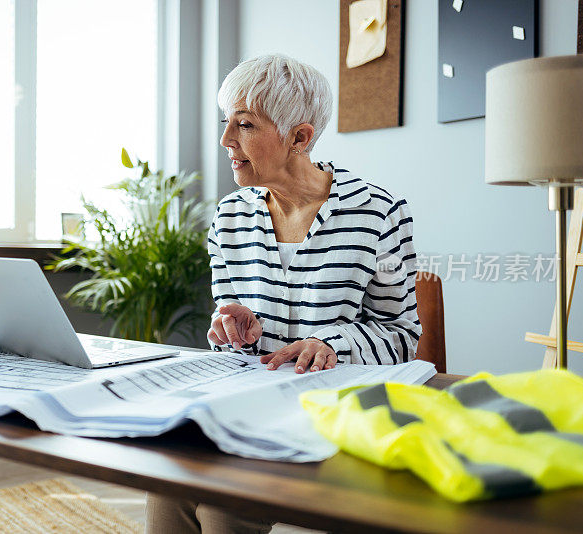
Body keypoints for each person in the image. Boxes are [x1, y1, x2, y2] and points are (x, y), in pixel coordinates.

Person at [145, 54, 421, 534]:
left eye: (245, 124)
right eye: (226, 121)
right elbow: (229, 336)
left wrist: (333, 346)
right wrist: (233, 329)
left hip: (334, 408)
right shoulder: (230, 216)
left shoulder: (379, 212)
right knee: (167, 472)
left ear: (300, 137)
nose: (226, 140)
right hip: (248, 402)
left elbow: (402, 335)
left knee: (221, 502)